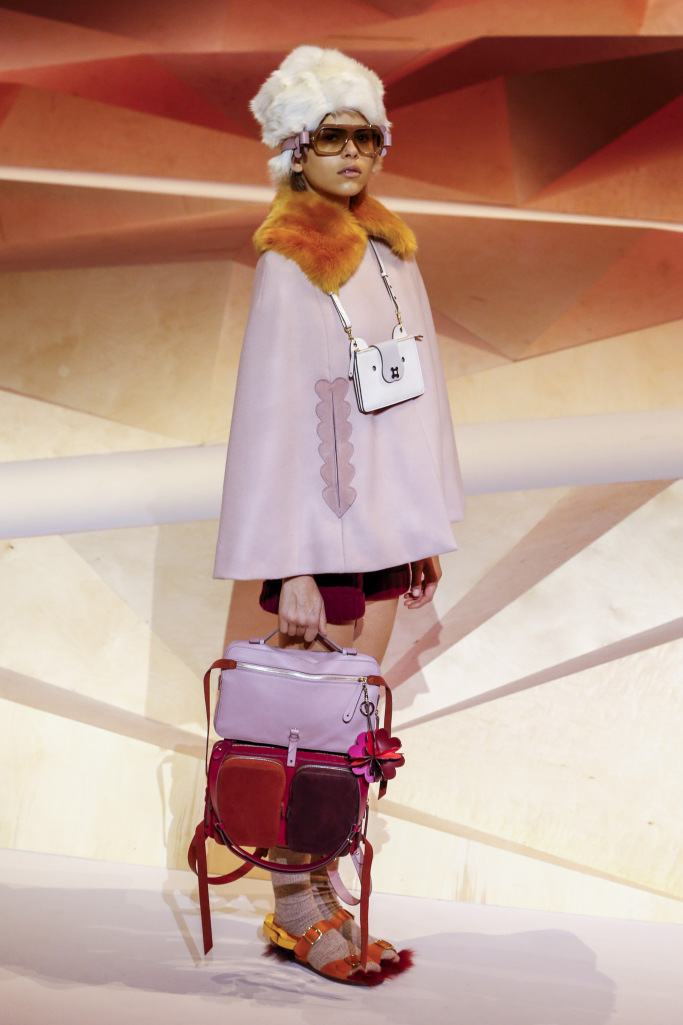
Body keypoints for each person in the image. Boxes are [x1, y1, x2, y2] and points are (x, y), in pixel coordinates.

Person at [214, 46, 465, 985]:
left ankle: (317, 894)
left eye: (367, 135)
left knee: (348, 727)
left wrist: (421, 525)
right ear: (295, 148)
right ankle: (294, 905)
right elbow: (273, 420)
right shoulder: (291, 262)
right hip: (320, 536)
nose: (354, 152)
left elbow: (416, 402)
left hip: (383, 526)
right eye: (333, 136)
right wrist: (291, 564)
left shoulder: (391, 252)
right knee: (308, 726)